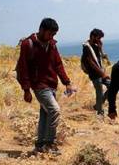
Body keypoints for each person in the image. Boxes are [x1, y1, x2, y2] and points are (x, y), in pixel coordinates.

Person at [15, 17, 76, 155]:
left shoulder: (52, 44)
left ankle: (40, 145)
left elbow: (58, 64)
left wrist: (67, 82)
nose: (52, 37)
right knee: (54, 110)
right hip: (39, 86)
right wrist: (26, 90)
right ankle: (50, 143)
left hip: (52, 85)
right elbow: (23, 68)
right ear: (42, 29)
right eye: (50, 34)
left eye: (54, 35)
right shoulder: (28, 44)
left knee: (45, 114)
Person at [81, 28, 110, 116]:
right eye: (98, 38)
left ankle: (98, 105)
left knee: (112, 86)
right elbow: (91, 63)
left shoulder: (96, 46)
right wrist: (103, 74)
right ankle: (100, 112)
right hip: (94, 73)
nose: (100, 40)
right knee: (99, 91)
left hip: (100, 72)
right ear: (92, 36)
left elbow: (101, 57)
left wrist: (101, 48)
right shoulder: (86, 47)